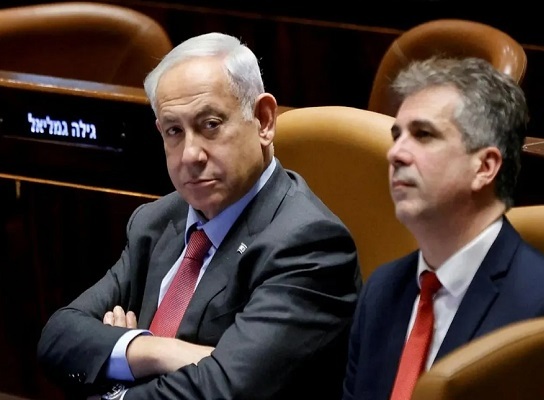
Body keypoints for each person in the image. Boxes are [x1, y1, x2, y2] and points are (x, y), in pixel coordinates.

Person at [37, 32, 361, 400]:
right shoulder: (156, 221)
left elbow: (224, 389)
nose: (190, 154)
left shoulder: (309, 244)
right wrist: (152, 349)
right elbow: (59, 337)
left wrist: (116, 354)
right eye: (174, 131)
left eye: (210, 124)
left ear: (263, 120)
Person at [342, 57, 544, 400]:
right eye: (397, 136)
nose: (395, 154)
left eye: (423, 135)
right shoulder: (381, 291)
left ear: (485, 167)